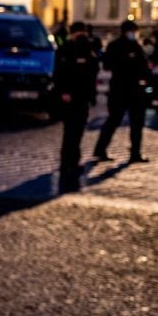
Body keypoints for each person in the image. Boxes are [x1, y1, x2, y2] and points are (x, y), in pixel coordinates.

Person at [93, 19, 155, 164]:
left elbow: (144, 67)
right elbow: (109, 64)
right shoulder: (121, 46)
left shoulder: (132, 46)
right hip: (123, 89)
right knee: (118, 121)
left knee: (131, 122)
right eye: (133, 31)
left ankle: (133, 152)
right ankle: (104, 149)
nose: (134, 34)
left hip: (128, 89)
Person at [53, 21, 100, 193]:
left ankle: (74, 161)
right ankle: (67, 163)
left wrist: (92, 96)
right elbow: (58, 73)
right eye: (78, 33)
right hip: (69, 97)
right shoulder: (65, 50)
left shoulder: (88, 49)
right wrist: (63, 92)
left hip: (83, 97)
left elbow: (93, 69)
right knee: (69, 130)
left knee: (79, 130)